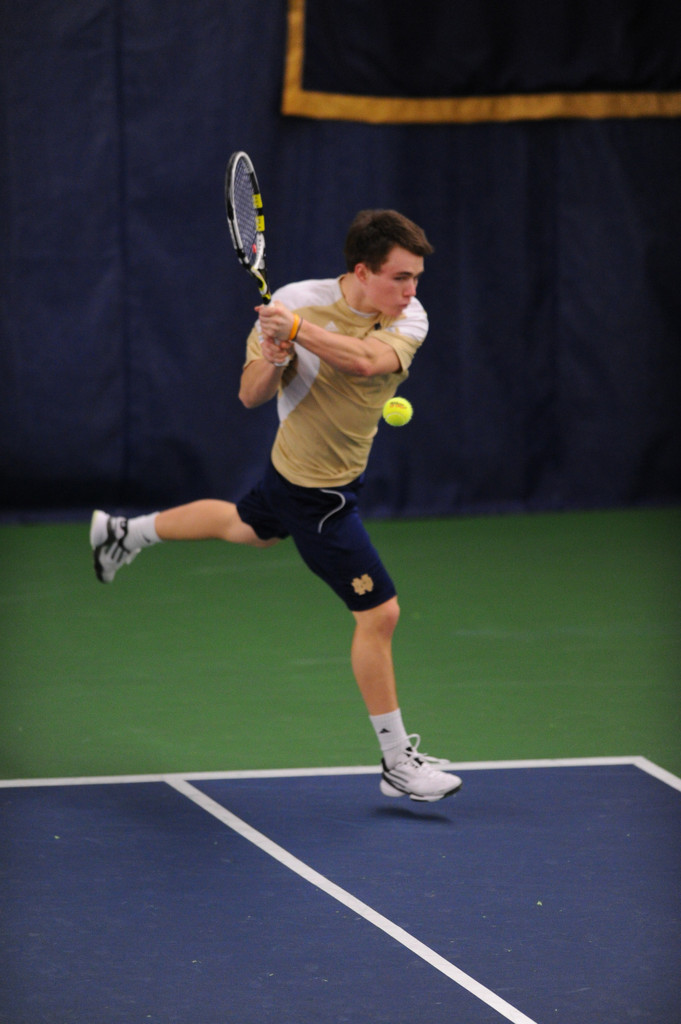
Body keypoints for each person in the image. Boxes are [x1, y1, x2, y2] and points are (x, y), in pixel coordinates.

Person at [90, 209, 462, 803]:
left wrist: (296, 334)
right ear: (362, 272)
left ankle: (124, 532)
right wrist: (274, 354)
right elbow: (249, 394)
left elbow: (365, 362)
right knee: (380, 615)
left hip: (326, 474)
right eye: (401, 277)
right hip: (313, 492)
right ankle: (397, 763)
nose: (412, 290)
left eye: (416, 276)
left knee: (247, 527)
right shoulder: (296, 300)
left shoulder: (407, 317)